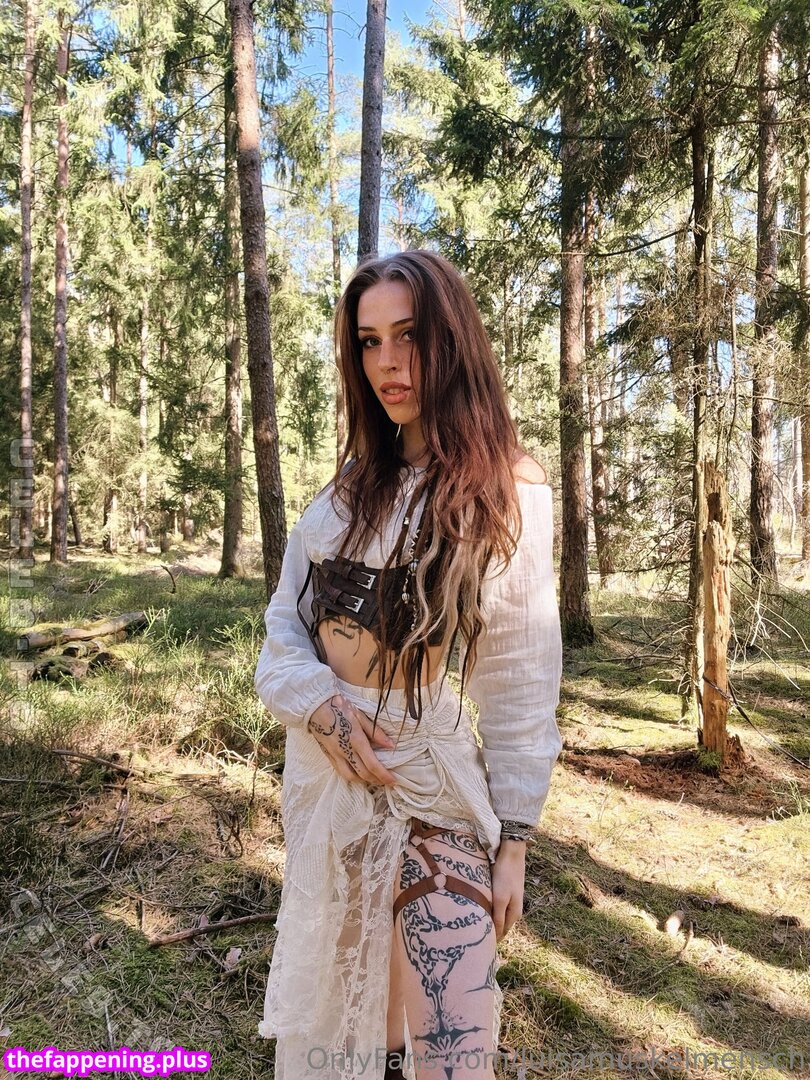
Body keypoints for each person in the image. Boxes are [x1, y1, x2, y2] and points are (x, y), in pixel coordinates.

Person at [254, 250, 563, 1080]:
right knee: (351, 1020)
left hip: (429, 776)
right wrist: (320, 705)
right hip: (328, 782)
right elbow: (283, 629)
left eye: (410, 335)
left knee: (455, 1041)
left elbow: (520, 677)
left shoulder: (505, 488)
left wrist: (514, 842)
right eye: (369, 341)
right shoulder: (347, 493)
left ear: (452, 340)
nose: (388, 362)